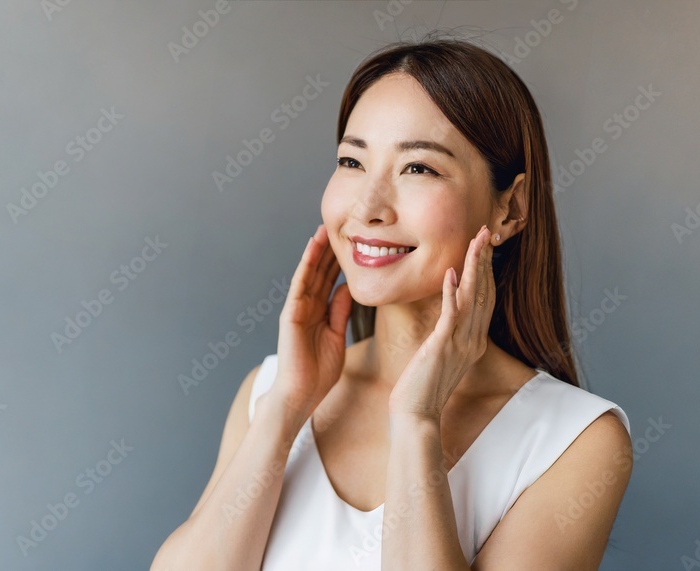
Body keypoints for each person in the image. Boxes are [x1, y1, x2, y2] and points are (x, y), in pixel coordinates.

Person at [151, 34, 633, 571]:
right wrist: (286, 409)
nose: (368, 206)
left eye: (418, 168)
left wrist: (417, 421)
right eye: (352, 162)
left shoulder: (575, 443)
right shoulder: (269, 391)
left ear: (510, 207)